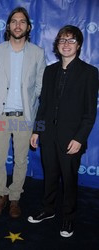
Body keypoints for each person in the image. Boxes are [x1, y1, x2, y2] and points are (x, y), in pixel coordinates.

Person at [28, 25, 99, 237]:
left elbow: (89, 113)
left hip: (71, 139)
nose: (66, 45)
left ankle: (68, 218)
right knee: (49, 176)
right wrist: (36, 131)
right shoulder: (49, 71)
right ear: (57, 45)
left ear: (78, 45)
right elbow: (43, 106)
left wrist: (79, 138)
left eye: (71, 41)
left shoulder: (89, 72)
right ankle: (48, 210)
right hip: (48, 136)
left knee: (69, 181)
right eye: (62, 40)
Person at [0, 7, 46, 218]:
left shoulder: (38, 52)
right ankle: (0, 196)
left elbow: (40, 86)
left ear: (28, 27)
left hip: (25, 116)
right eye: (14, 21)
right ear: (8, 26)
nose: (18, 25)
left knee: (21, 161)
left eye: (22, 21)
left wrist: (28, 102)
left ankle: (14, 199)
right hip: (1, 116)